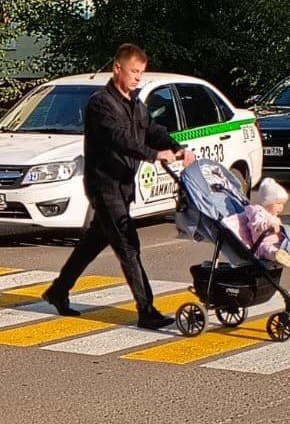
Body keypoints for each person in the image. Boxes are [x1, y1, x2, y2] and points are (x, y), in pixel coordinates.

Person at [42, 43, 196, 329]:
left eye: (141, 73)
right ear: (117, 69)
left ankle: (58, 290)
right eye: (134, 71)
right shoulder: (101, 104)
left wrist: (177, 148)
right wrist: (153, 155)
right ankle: (146, 310)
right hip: (105, 185)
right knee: (128, 246)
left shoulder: (135, 104)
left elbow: (153, 130)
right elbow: (120, 139)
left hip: (124, 184)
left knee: (93, 242)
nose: (138, 77)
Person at [245, 177, 290, 267]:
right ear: (268, 202)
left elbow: (282, 229)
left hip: (281, 243)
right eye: (278, 203)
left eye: (283, 204)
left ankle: (287, 255)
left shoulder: (274, 217)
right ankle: (279, 256)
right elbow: (256, 224)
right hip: (262, 244)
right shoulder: (257, 212)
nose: (281, 207)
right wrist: (269, 225)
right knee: (269, 250)